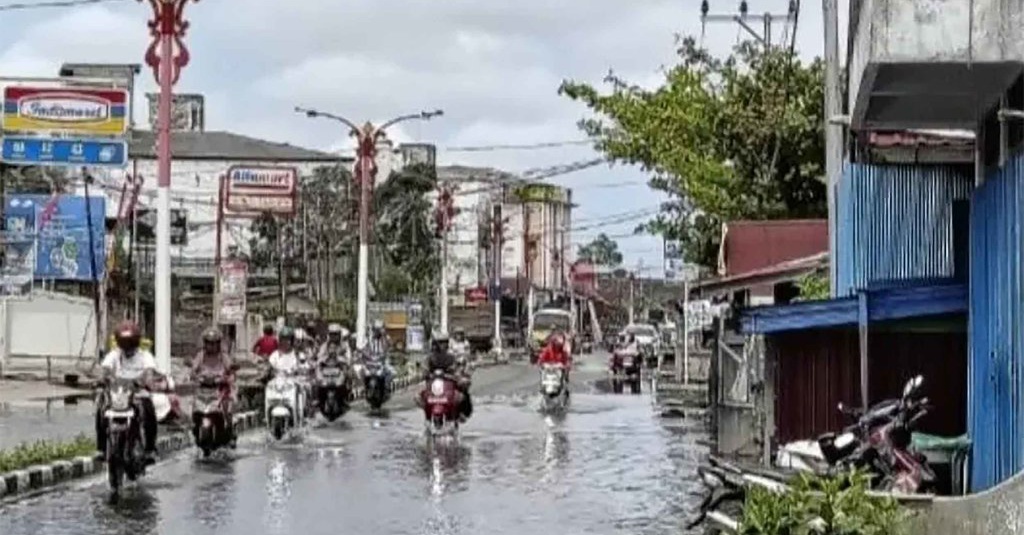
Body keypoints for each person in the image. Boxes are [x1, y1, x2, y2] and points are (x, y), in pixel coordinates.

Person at [96, 321, 159, 463]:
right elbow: (105, 370)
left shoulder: (145, 356)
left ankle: (150, 448)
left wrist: (147, 382)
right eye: (124, 344)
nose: (127, 348)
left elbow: (149, 373)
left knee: (149, 409)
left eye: (130, 343)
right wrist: (102, 379)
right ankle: (101, 448)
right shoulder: (114, 355)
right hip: (118, 393)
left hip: (138, 393)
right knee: (101, 408)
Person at [190, 327, 237, 445]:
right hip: (203, 388)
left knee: (226, 405)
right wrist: (193, 375)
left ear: (218, 344)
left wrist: (228, 377)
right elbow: (193, 369)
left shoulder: (223, 356)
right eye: (209, 343)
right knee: (195, 406)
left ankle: (230, 431)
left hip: (220, 389)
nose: (211, 346)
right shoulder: (201, 356)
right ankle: (195, 427)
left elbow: (230, 369)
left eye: (214, 343)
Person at [423, 333, 472, 420]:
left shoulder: (452, 357)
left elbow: (459, 368)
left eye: (444, 343)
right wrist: (425, 374)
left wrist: (460, 374)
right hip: (433, 384)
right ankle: (427, 411)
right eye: (440, 343)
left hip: (449, 383)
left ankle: (463, 413)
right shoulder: (429, 358)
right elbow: (425, 370)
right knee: (418, 395)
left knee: (463, 392)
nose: (442, 345)